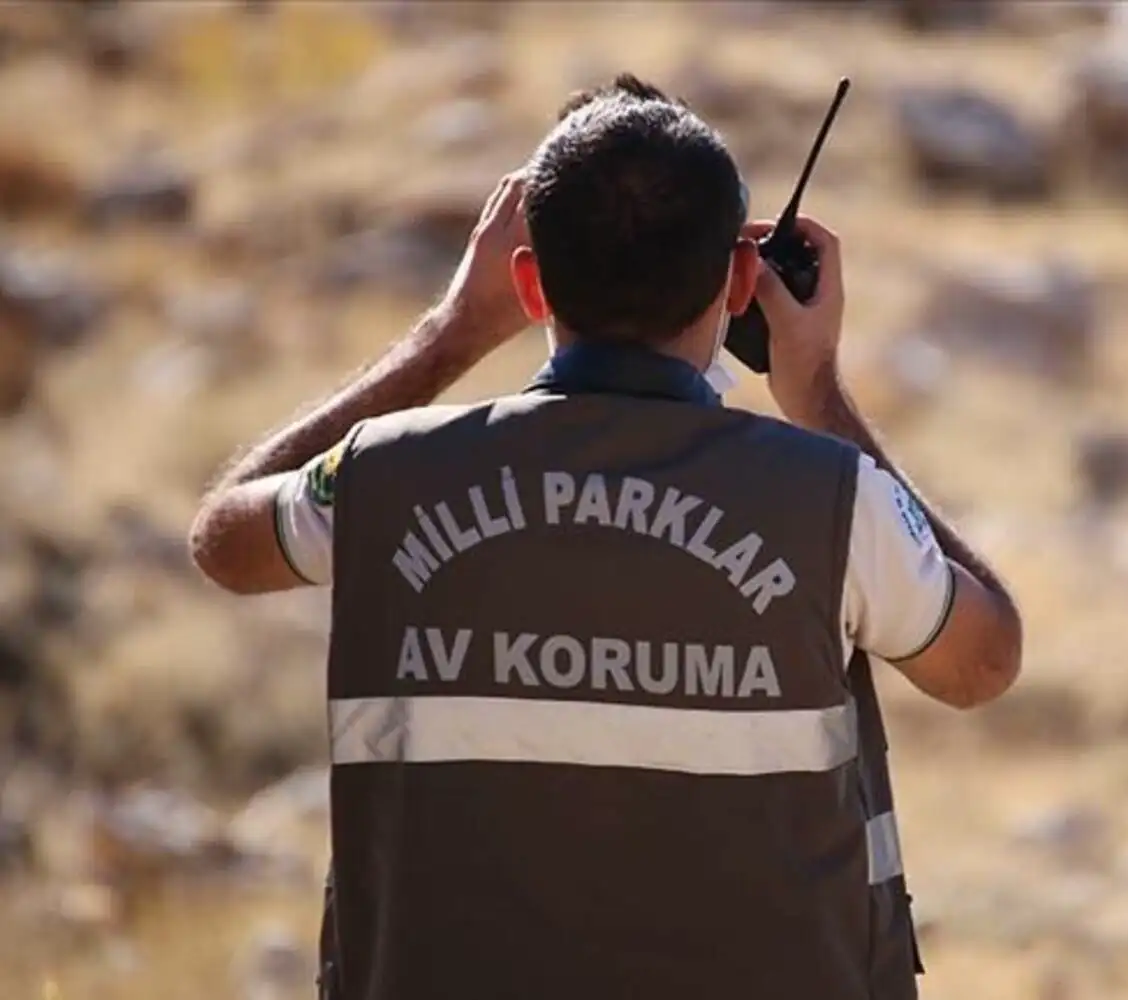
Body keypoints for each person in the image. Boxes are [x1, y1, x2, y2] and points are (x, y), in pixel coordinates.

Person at [186, 74, 1023, 1000]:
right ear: (742, 278)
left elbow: (225, 540)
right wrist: (819, 394)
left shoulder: (383, 477)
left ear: (530, 283)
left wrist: (447, 335)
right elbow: (981, 663)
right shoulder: (831, 502)